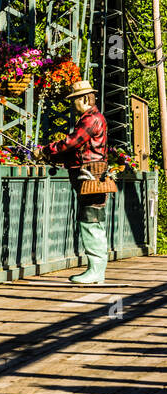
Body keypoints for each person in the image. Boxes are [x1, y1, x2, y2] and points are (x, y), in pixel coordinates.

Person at [34, 80, 116, 284]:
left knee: (90, 219)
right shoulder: (93, 118)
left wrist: (46, 150)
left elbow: (72, 142)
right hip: (92, 173)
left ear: (85, 98)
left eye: (75, 100)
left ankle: (96, 271)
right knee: (92, 219)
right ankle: (96, 270)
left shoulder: (91, 119)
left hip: (90, 175)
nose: (73, 104)